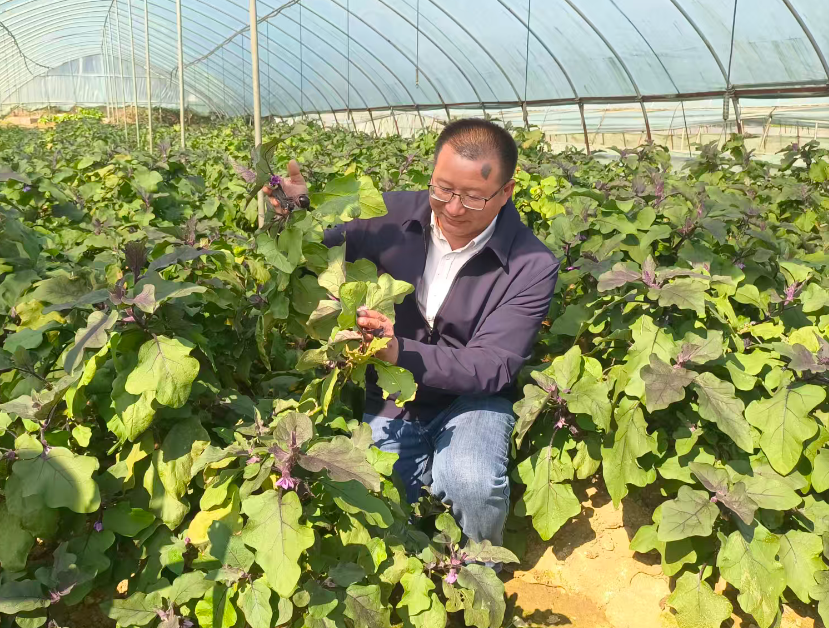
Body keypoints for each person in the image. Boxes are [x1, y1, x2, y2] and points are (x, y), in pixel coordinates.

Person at [264, 118, 559, 546]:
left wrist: (399, 352)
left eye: (473, 197)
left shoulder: (532, 264)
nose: (453, 208)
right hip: (393, 398)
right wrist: (297, 212)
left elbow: (492, 364)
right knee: (379, 505)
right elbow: (315, 251)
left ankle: (479, 564)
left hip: (474, 402)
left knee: (470, 482)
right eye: (443, 189)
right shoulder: (387, 215)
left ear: (506, 192)